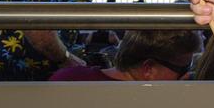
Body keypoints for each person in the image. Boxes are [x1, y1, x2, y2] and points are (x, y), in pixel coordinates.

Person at [49, 29, 201, 82]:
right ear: (148, 68)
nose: (187, 75)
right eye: (182, 69)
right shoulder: (166, 106)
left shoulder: (67, 79)